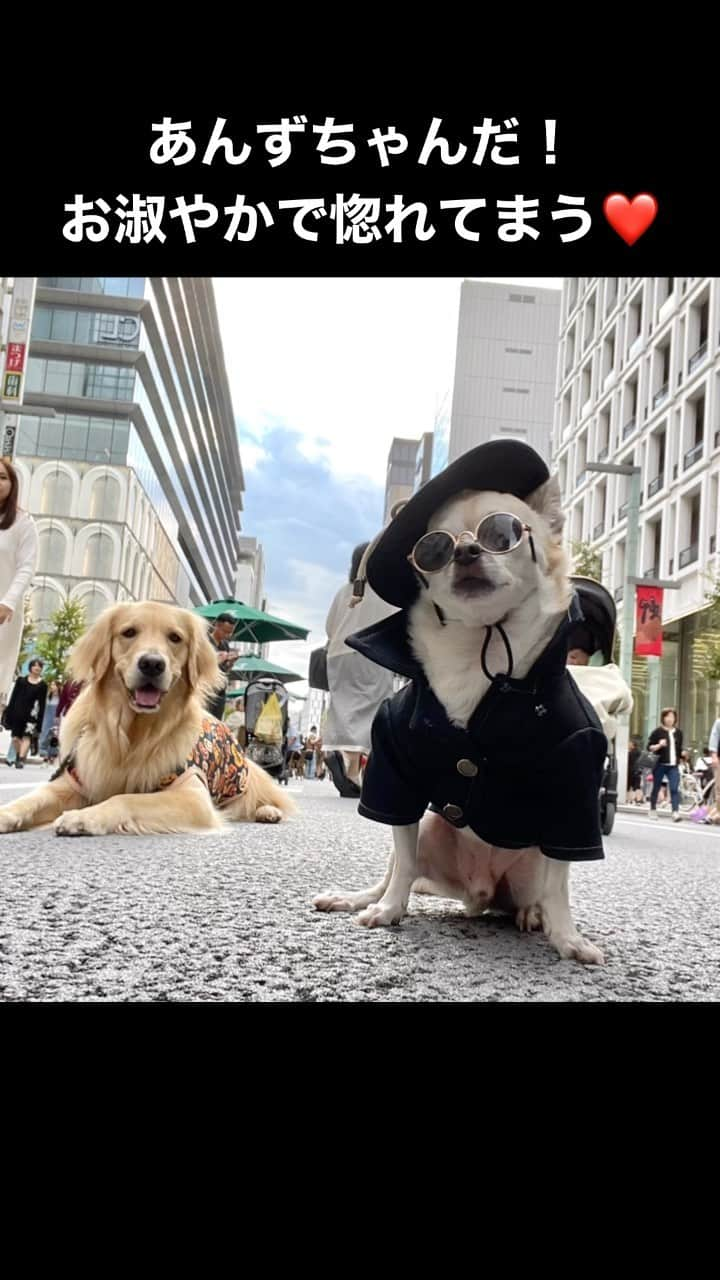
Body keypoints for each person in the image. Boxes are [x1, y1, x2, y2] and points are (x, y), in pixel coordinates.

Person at [322, 541, 397, 793]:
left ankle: (346, 761)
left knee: (344, 706)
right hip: (372, 651)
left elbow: (330, 628)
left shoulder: (344, 591)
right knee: (373, 707)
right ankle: (351, 763)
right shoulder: (385, 589)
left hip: (338, 654)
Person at [0, 459, 38, 717]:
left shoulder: (23, 523)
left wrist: (8, 602)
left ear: (12, 485)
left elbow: (27, 566)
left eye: (3, 477)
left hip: (4, 614)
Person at [3, 658, 48, 768]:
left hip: (32, 715)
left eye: (39, 666)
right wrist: (9, 711)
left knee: (27, 737)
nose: (37, 668)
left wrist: (39, 722)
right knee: (15, 738)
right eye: (35, 666)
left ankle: (21, 760)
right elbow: (14, 697)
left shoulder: (43, 685)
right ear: (30, 667)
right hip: (17, 713)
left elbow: (42, 704)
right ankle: (18, 755)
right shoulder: (21, 681)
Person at [647, 707, 683, 821]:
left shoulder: (678, 733)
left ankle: (675, 812)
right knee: (656, 787)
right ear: (663, 718)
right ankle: (652, 809)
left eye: (672, 717)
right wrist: (659, 745)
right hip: (660, 764)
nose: (670, 719)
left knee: (674, 788)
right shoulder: (657, 732)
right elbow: (649, 747)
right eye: (667, 716)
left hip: (673, 765)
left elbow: (678, 748)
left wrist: (683, 754)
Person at [206, 613, 236, 720]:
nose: (227, 635)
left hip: (220, 691)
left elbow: (225, 670)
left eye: (230, 632)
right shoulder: (205, 641)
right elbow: (200, 664)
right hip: (207, 690)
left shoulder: (225, 645)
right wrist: (216, 660)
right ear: (217, 625)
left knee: (216, 722)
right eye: (225, 631)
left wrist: (230, 663)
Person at [39, 679, 61, 762]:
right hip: (46, 719)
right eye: (51, 685)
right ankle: (44, 754)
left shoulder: (60, 698)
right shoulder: (48, 696)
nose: (52, 687)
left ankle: (52, 754)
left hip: (56, 720)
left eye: (54, 685)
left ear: (58, 687)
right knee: (45, 735)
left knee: (53, 737)